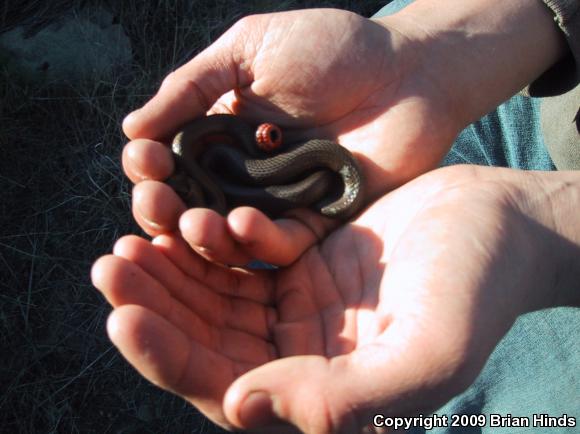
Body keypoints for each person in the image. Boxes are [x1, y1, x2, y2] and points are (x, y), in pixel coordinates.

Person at [91, 0, 579, 432]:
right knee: (278, 264)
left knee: (424, 409)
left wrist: (544, 226)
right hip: (533, 81)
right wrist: (423, 49)